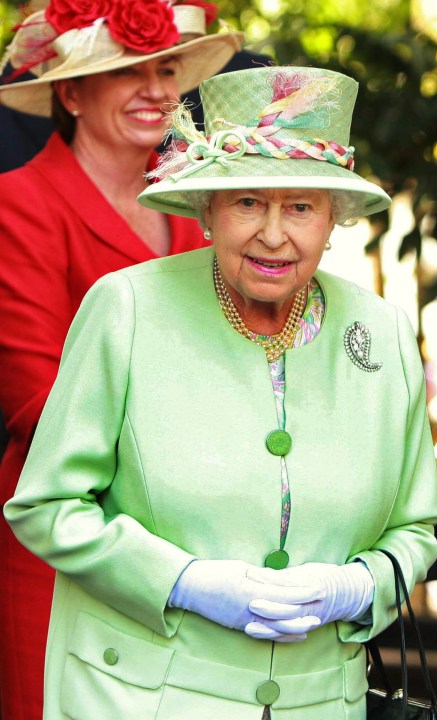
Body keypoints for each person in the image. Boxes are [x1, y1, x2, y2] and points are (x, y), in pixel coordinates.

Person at [3, 64, 437, 719]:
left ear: (334, 219)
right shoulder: (126, 307)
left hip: (322, 702)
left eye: (300, 206)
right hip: (137, 700)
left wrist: (358, 587)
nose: (273, 234)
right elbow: (46, 506)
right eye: (247, 202)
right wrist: (184, 583)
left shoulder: (380, 330)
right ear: (206, 211)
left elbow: (415, 528)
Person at [0, 3, 243, 718]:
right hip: (66, 546)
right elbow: (37, 402)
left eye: (167, 70)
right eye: (126, 72)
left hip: (197, 551)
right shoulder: (17, 204)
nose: (157, 90)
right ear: (69, 93)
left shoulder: (197, 208)